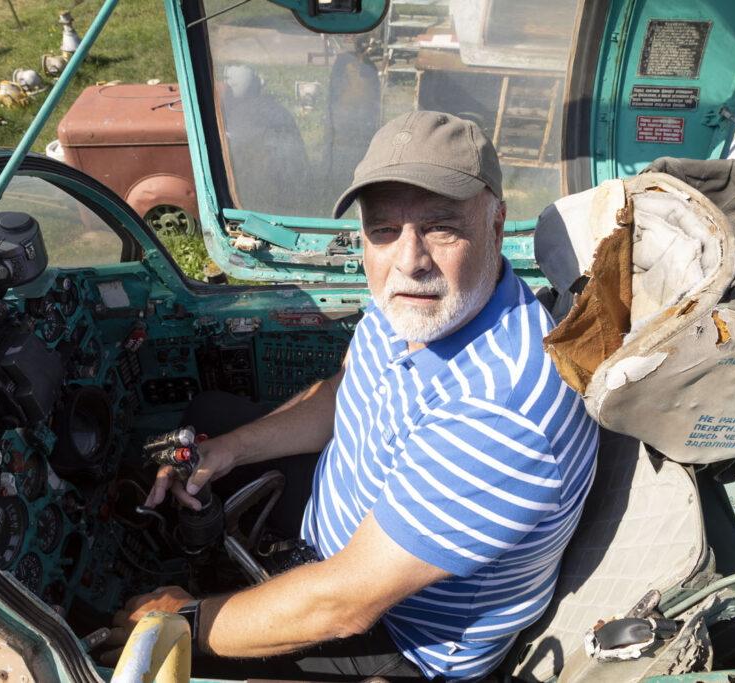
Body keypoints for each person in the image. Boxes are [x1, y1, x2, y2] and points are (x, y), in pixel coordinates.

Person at [107, 111, 599, 681]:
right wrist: (233, 450)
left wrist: (185, 622)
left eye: (442, 227)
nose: (409, 259)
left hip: (401, 634)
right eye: (383, 230)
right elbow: (348, 390)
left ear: (494, 228)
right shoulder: (421, 304)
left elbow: (345, 605)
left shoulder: (502, 408)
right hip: (337, 539)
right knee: (209, 419)